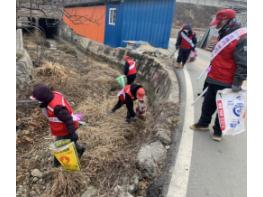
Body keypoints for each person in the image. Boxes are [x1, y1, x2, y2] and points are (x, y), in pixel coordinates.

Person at [190, 9, 247, 141]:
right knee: (208, 103)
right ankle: (203, 123)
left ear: (227, 21)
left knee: (223, 107)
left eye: (219, 22)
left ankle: (218, 132)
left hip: (228, 80)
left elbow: (243, 63)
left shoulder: (241, 37)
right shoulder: (225, 32)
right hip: (214, 76)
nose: (217, 25)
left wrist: (237, 82)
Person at [31, 84, 85, 167]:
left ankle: (56, 164)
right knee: (69, 141)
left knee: (59, 146)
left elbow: (68, 120)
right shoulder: (55, 94)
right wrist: (44, 104)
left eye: (38, 100)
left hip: (65, 129)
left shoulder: (57, 108)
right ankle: (80, 149)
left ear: (43, 99)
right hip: (62, 129)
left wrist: (72, 133)